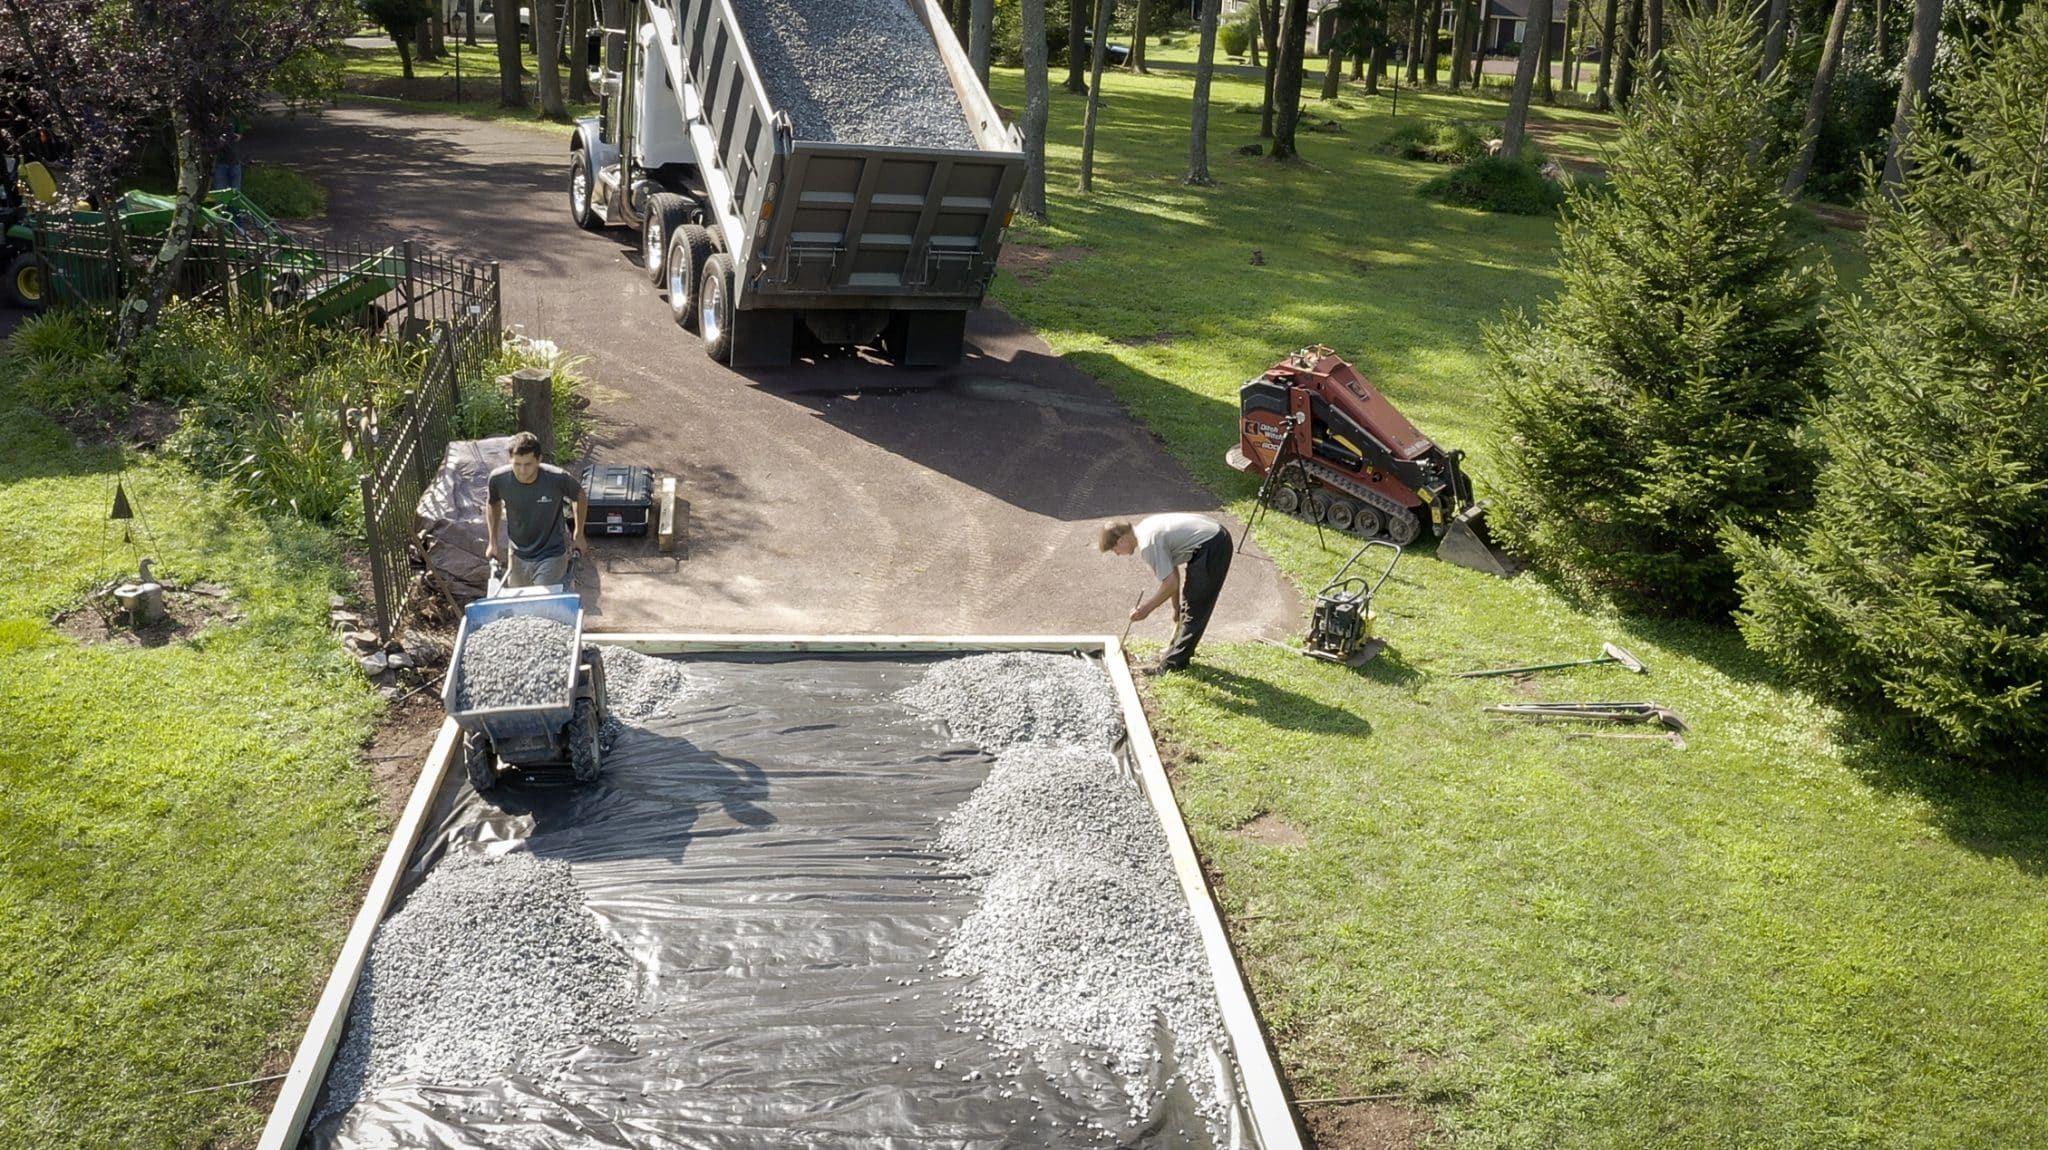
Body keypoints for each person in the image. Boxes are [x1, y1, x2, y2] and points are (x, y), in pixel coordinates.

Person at [1098, 513, 1233, 674]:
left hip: (1213, 544)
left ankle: (1171, 666)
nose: (1118, 554)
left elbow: (1170, 584)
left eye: (1114, 550)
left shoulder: (1147, 544)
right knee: (1189, 605)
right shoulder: (1144, 528)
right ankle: (1174, 652)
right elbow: (1172, 574)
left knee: (1196, 607)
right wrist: (1176, 607)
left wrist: (1145, 609)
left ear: (1121, 540)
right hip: (1212, 537)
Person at [485, 431, 587, 590]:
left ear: (539, 459)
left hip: (551, 552)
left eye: (528, 464)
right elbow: (493, 503)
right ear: (510, 460)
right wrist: (493, 542)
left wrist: (578, 534)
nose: (522, 471)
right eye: (517, 464)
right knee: (520, 606)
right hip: (518, 554)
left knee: (541, 601)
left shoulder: (556, 479)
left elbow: (579, 496)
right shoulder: (499, 480)